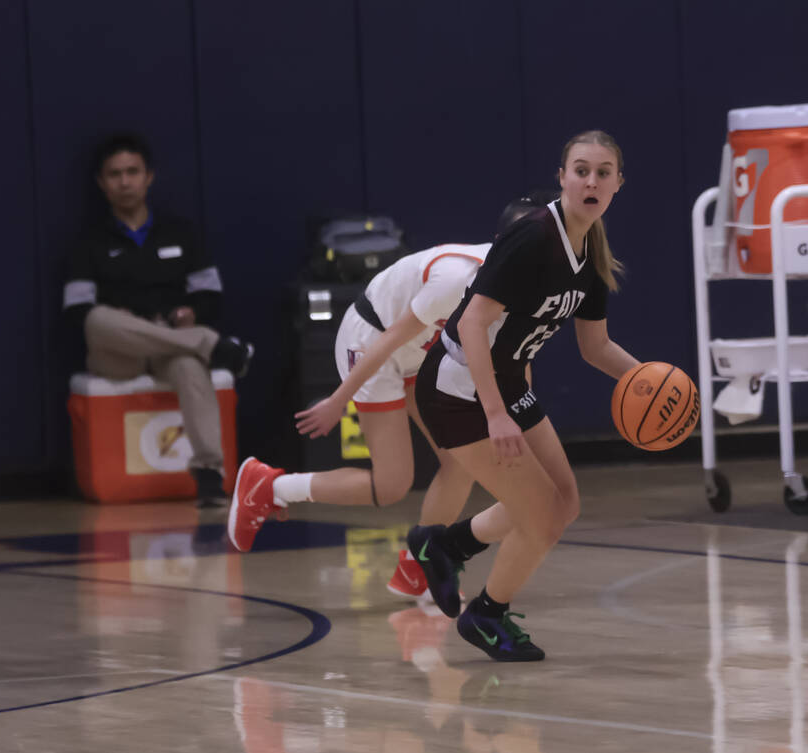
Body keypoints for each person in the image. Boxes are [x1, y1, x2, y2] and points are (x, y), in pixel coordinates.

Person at [225, 195, 550, 599]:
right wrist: (337, 399)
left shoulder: (534, 290)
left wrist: (521, 421)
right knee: (392, 484)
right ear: (502, 242)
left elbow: (517, 360)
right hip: (372, 338)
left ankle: (419, 569)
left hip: (423, 350)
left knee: (460, 463)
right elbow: (393, 336)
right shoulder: (456, 278)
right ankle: (270, 487)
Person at [407, 130, 639, 662]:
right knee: (543, 518)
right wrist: (496, 416)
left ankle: (446, 544)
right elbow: (471, 325)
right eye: (581, 169)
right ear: (562, 176)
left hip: (507, 382)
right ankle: (485, 615)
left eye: (604, 173)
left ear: (618, 184)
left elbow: (596, 347)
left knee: (566, 502)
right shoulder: (535, 235)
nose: (591, 181)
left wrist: (649, 379)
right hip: (459, 389)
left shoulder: (592, 248)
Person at [62, 132, 253, 509]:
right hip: (116, 352)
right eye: (115, 174)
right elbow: (77, 313)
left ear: (149, 176)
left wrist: (192, 314)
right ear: (102, 183)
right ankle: (213, 346)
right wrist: (124, 321)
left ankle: (210, 474)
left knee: (187, 364)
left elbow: (210, 294)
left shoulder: (180, 232)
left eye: (133, 172)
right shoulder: (88, 242)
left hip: (170, 340)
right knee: (100, 318)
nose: (125, 181)